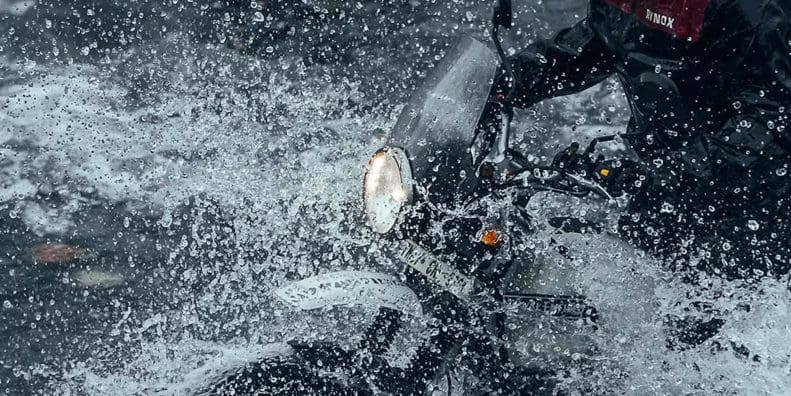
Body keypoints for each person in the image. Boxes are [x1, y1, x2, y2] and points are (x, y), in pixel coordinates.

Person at [492, 0, 791, 280]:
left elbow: (772, 121)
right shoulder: (627, 4)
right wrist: (509, 80)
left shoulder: (755, 12)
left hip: (755, 213)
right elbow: (595, 44)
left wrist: (670, 173)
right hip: (662, 197)